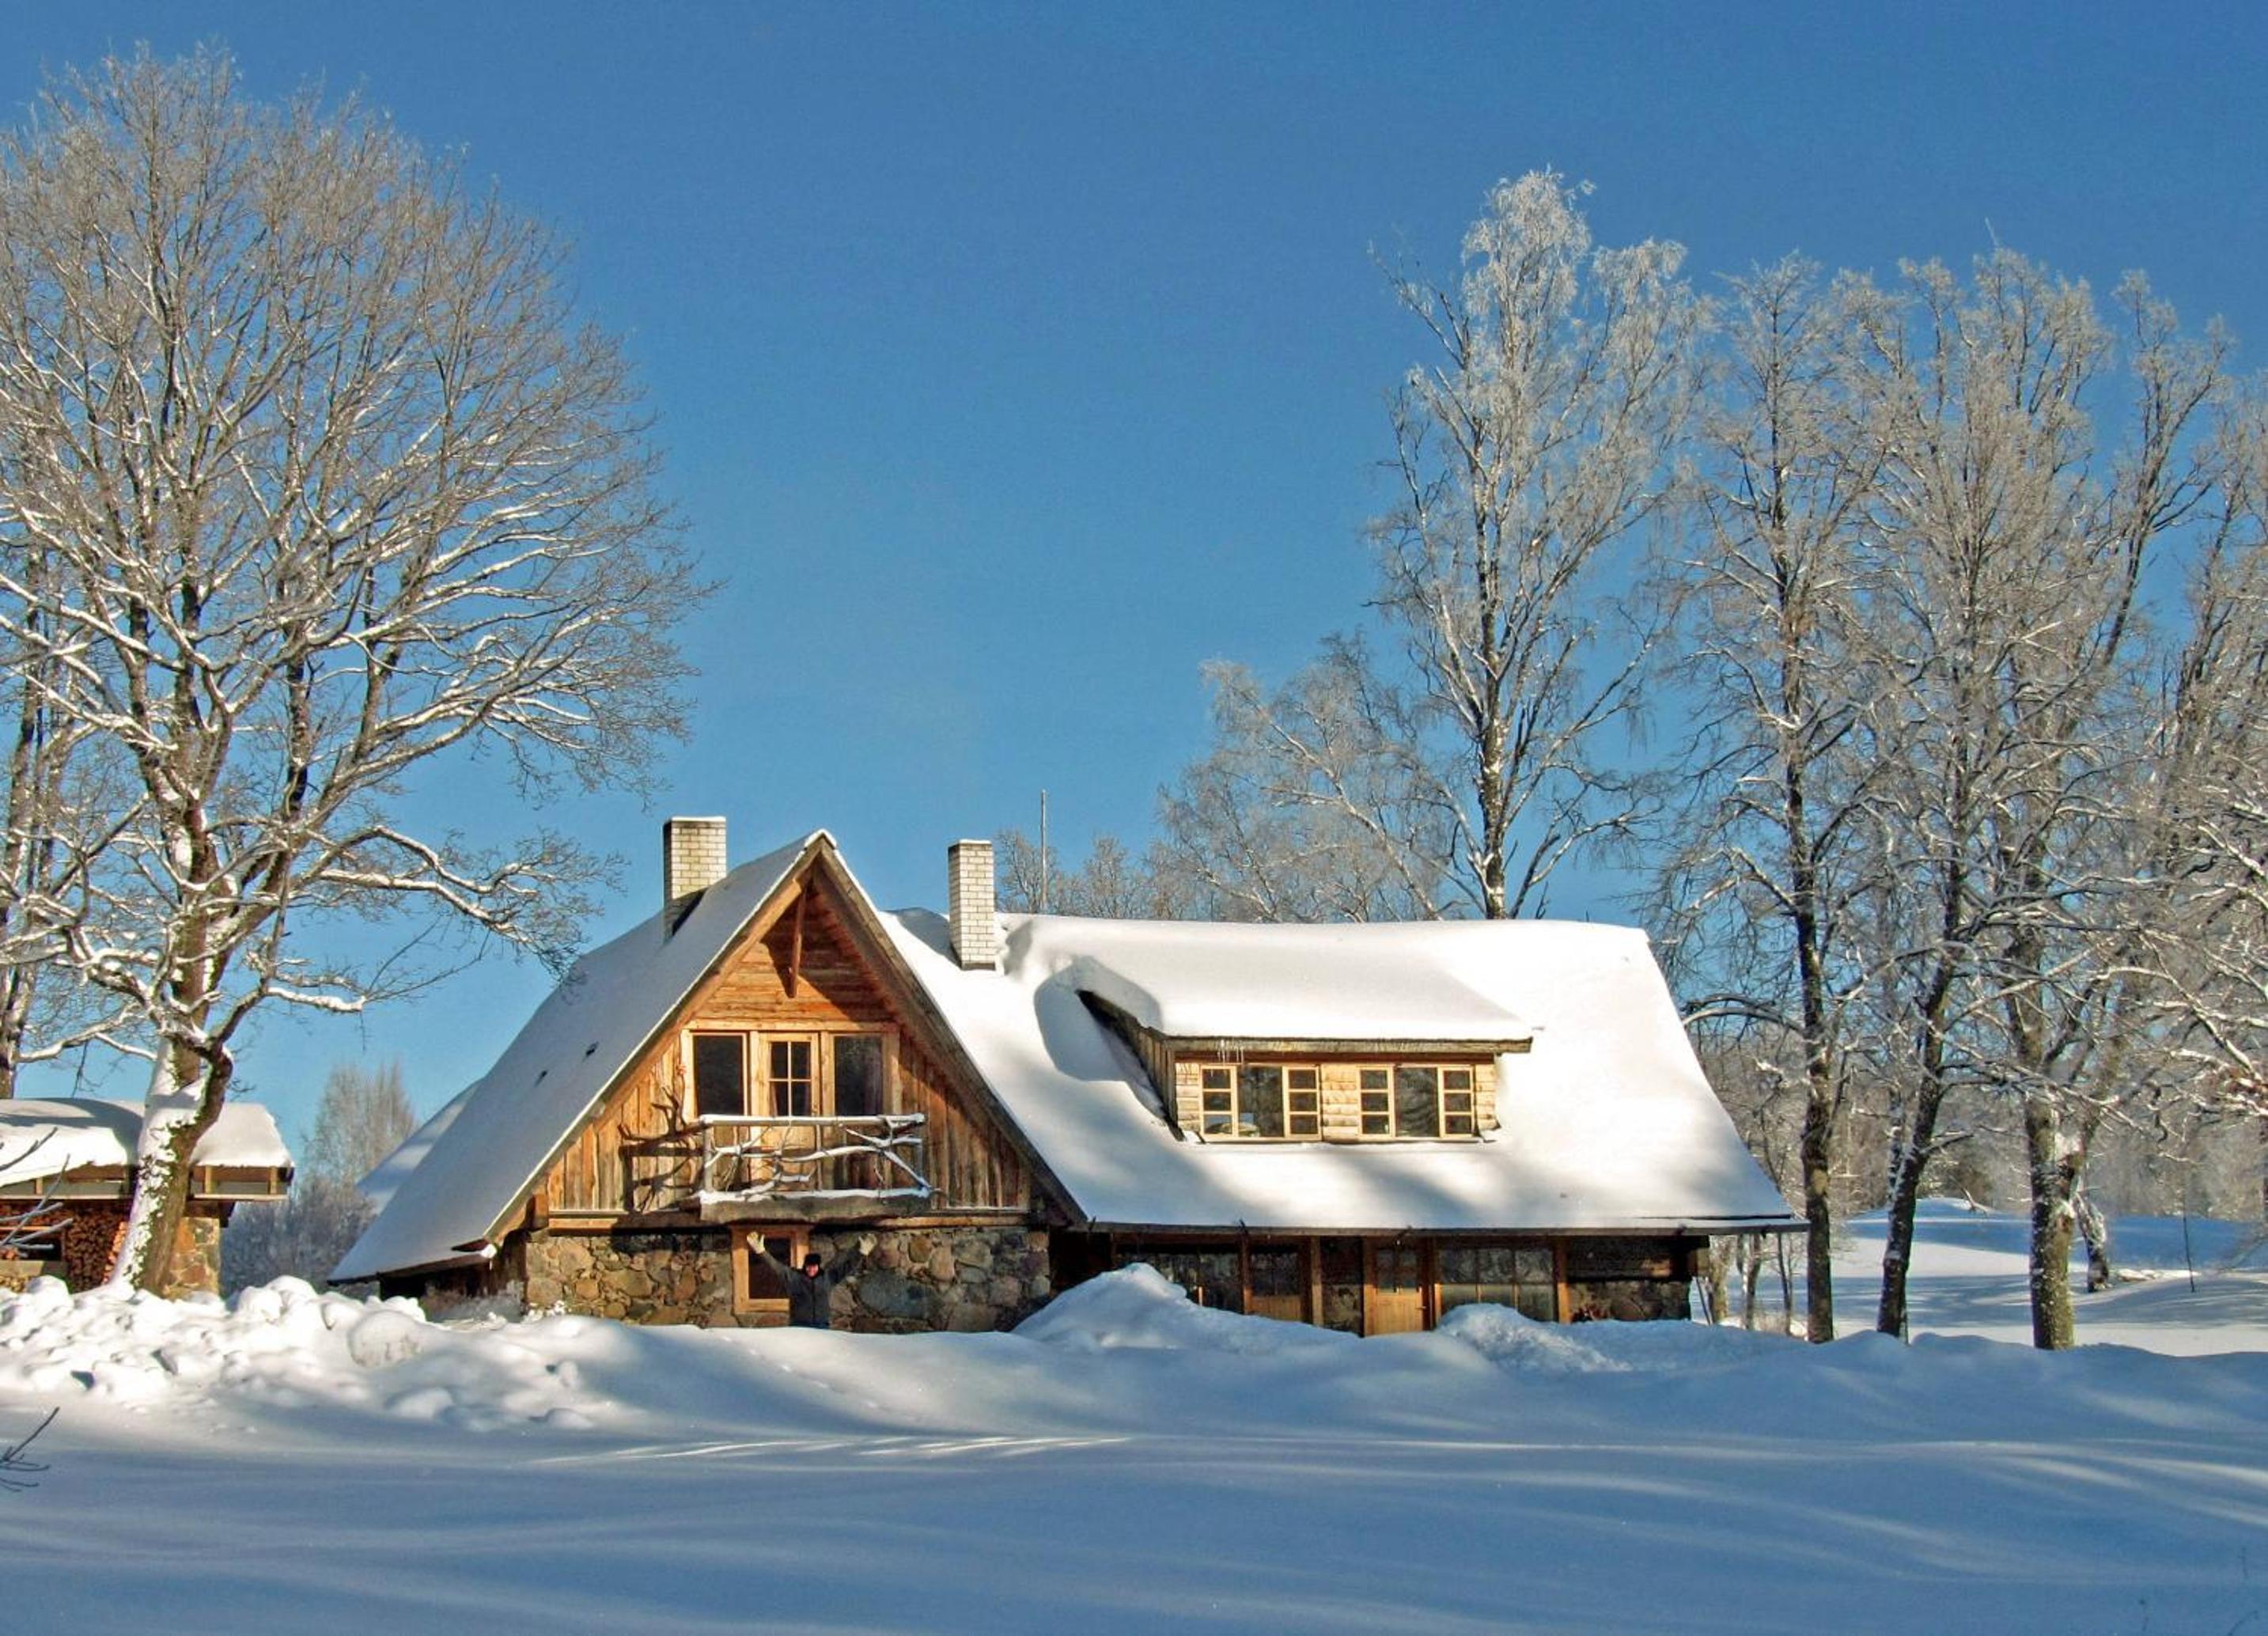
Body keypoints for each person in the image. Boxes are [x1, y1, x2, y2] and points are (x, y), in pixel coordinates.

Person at [755, 1232, 876, 1329]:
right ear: (804, 1266)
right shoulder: (794, 1277)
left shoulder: (828, 1278)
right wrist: (761, 1252)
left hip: (822, 1325)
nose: (811, 1269)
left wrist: (862, 1253)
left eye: (814, 1267)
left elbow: (847, 1267)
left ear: (818, 1266)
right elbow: (776, 1266)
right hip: (799, 1326)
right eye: (808, 1267)